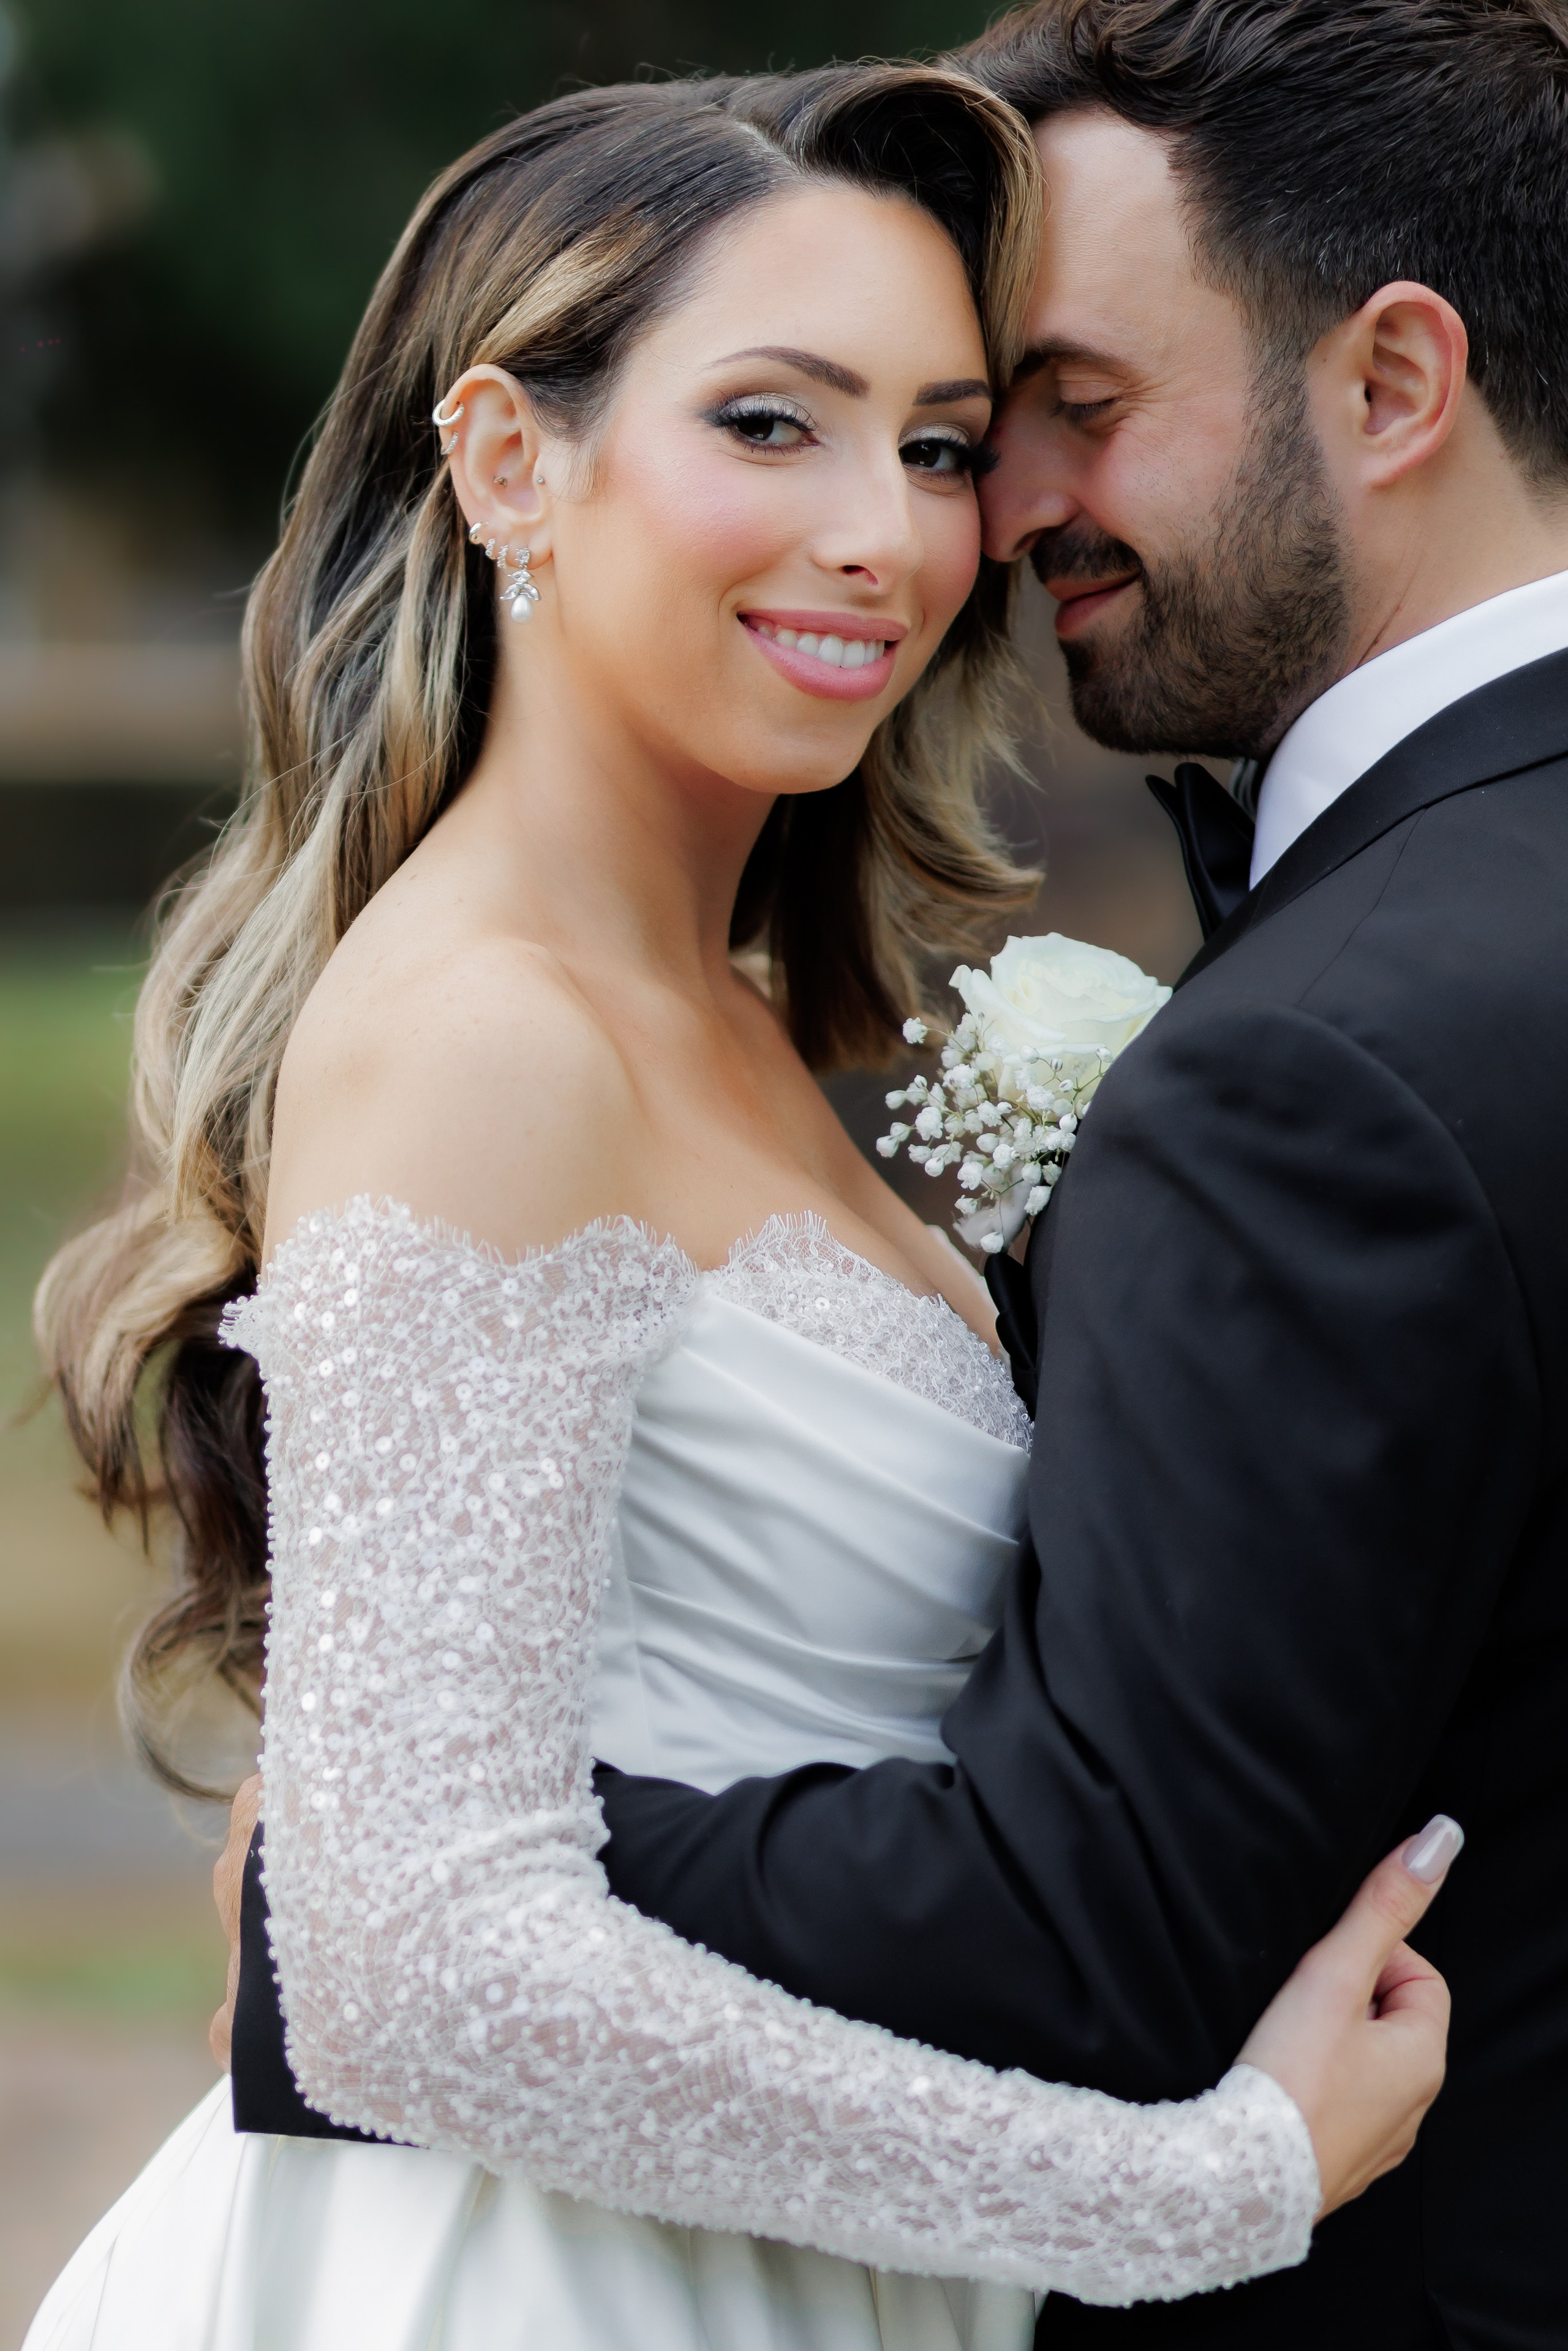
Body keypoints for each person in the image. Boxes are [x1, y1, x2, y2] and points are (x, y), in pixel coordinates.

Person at [23, 54, 1451, 2351]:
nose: (886, 536)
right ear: (514, 463)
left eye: (942, 444)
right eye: (771, 425)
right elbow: (403, 1976)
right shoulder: (493, 1032)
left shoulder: (732, 1018)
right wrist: (1196, 2188)